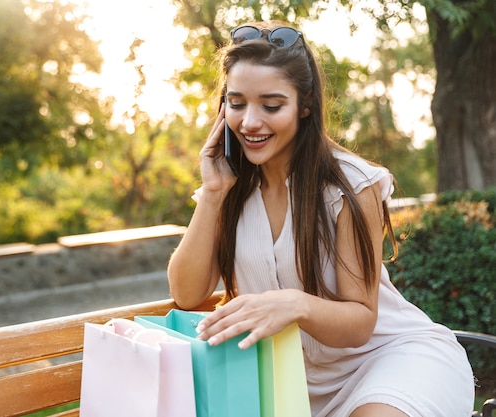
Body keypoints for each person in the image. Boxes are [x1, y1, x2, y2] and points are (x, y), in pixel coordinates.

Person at [167, 21, 475, 417]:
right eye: (237, 103)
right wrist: (211, 194)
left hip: (392, 361)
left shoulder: (351, 185)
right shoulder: (228, 189)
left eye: (272, 105)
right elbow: (188, 293)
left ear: (306, 104)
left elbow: (361, 322)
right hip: (293, 387)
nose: (249, 122)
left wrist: (295, 304)